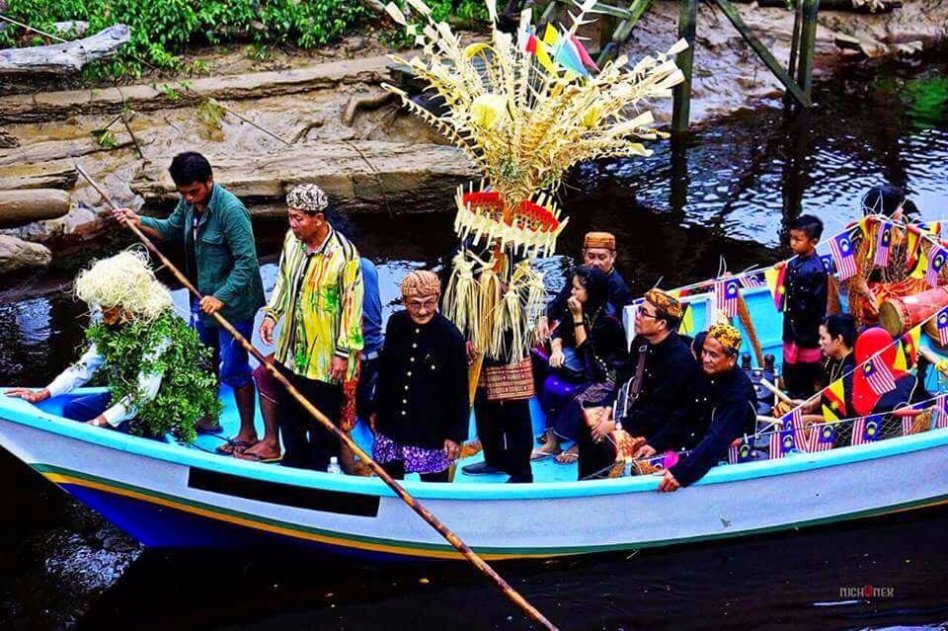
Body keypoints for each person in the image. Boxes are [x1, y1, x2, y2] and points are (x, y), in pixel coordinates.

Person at [112, 152, 265, 453]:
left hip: (234, 305)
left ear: (209, 181)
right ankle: (208, 417)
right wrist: (138, 220)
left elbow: (247, 263)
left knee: (234, 366)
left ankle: (248, 432)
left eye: (195, 191)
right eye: (184, 193)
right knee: (202, 360)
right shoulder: (188, 204)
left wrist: (220, 298)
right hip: (201, 297)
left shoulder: (231, 211)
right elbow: (169, 229)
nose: (190, 198)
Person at [4, 251, 220, 441]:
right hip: (127, 394)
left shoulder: (159, 334)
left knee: (125, 424)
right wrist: (44, 393)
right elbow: (85, 366)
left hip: (158, 407)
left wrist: (97, 423)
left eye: (109, 313)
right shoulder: (115, 326)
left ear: (130, 307)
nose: (106, 320)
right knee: (73, 409)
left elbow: (143, 394)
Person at [256, 183, 364, 470]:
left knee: (321, 421)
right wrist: (272, 314)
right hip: (290, 351)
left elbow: (352, 309)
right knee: (289, 414)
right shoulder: (291, 242)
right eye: (290, 217)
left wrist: (343, 353)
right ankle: (293, 463)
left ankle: (317, 469)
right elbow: (282, 281)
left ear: (318, 218)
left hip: (325, 358)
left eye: (299, 218)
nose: (293, 224)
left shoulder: (344, 255)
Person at [577, 289, 699, 480]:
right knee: (587, 420)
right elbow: (623, 379)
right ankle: (587, 482)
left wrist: (615, 425)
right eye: (639, 310)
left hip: (661, 427)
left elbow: (659, 411)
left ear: (661, 324)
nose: (637, 316)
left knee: (609, 441)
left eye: (644, 313)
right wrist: (609, 409)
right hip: (634, 412)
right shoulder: (640, 342)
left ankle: (607, 486)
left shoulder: (678, 360)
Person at [371, 271, 469, 482]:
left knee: (435, 486)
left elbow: (459, 391)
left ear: (437, 299)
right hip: (393, 423)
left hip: (432, 429)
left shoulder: (450, 336)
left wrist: (455, 435)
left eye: (429, 303)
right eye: (415, 304)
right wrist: (375, 409)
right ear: (404, 300)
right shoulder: (396, 324)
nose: (423, 311)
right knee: (389, 482)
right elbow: (385, 372)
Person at [533, 266, 630, 464]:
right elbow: (559, 330)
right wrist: (558, 348)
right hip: (583, 368)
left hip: (605, 375)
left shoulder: (608, 320)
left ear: (590, 291)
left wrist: (578, 318)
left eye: (576, 288)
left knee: (578, 399)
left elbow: (590, 354)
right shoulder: (576, 306)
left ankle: (581, 443)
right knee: (545, 376)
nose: (572, 292)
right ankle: (552, 441)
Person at [658, 321, 757, 492]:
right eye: (704, 352)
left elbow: (718, 437)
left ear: (731, 359)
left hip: (726, 457)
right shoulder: (704, 373)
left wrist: (681, 474)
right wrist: (655, 444)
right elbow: (683, 413)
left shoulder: (738, 394)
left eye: (713, 355)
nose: (705, 359)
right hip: (693, 447)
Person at [536, 231, 632, 341]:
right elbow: (558, 303)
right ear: (583, 255)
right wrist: (544, 317)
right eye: (591, 256)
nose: (596, 263)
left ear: (613, 257)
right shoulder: (578, 276)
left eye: (602, 257)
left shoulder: (618, 288)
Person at [781, 214, 828, 399]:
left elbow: (816, 306)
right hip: (791, 324)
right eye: (791, 238)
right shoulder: (793, 263)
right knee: (790, 363)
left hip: (808, 328)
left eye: (798, 240)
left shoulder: (816, 270)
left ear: (813, 242)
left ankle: (803, 396)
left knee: (806, 367)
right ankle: (791, 390)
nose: (793, 243)